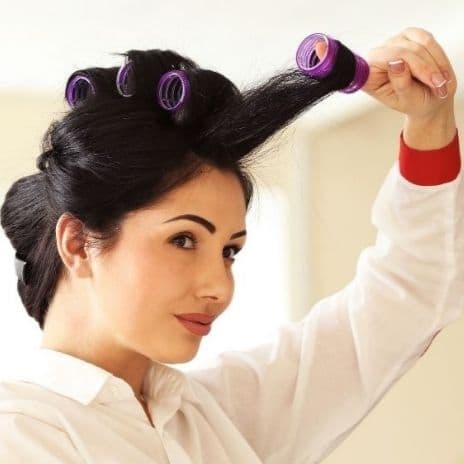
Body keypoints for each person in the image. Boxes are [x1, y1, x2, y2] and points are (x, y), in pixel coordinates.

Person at [0, 26, 460, 463]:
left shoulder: (219, 417)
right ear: (78, 243)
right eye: (183, 239)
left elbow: (407, 295)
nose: (219, 288)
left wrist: (430, 120)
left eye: (229, 251)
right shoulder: (19, 434)